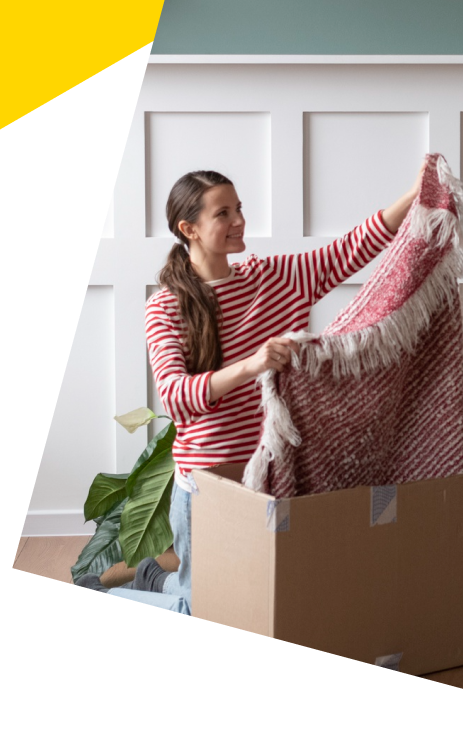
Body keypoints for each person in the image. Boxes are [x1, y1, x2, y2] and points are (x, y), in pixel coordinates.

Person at [76, 164, 425, 611]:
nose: (239, 220)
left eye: (239, 208)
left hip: (271, 479)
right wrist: (252, 365)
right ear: (190, 229)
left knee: (262, 600)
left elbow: (350, 249)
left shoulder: (273, 279)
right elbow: (176, 398)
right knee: (208, 610)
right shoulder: (165, 306)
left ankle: (156, 579)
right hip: (207, 488)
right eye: (223, 213)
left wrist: (415, 193)